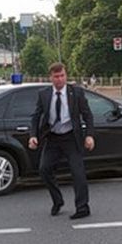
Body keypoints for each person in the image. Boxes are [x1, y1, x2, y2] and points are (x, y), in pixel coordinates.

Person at [29, 62, 95, 220]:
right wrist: (33, 135)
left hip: (71, 137)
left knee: (78, 172)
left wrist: (89, 135)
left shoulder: (76, 93)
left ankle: (82, 207)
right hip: (53, 138)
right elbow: (36, 116)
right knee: (44, 169)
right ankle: (57, 201)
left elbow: (88, 115)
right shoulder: (44, 94)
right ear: (50, 78)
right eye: (56, 76)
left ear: (66, 76)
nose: (59, 79)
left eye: (62, 76)